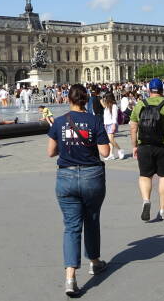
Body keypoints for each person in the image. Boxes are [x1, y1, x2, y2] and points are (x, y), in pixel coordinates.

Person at [46, 84, 110, 297]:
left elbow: (50, 152)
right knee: (92, 220)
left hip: (66, 177)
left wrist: (67, 146)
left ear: (68, 99)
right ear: (86, 100)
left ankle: (70, 278)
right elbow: (105, 151)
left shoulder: (59, 122)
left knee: (72, 227)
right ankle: (95, 262)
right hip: (92, 177)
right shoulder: (95, 121)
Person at [129, 78, 164, 222]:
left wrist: (134, 146)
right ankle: (162, 209)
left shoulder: (140, 104)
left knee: (145, 176)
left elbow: (133, 127)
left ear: (149, 90)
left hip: (144, 145)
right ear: (162, 90)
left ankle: (146, 200)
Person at [101, 92, 125, 160]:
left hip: (112, 124)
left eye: (106, 97)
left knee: (110, 139)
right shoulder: (107, 106)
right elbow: (105, 116)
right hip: (107, 124)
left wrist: (114, 124)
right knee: (110, 140)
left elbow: (115, 116)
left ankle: (120, 149)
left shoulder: (114, 106)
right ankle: (111, 154)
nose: (105, 99)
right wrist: (105, 124)